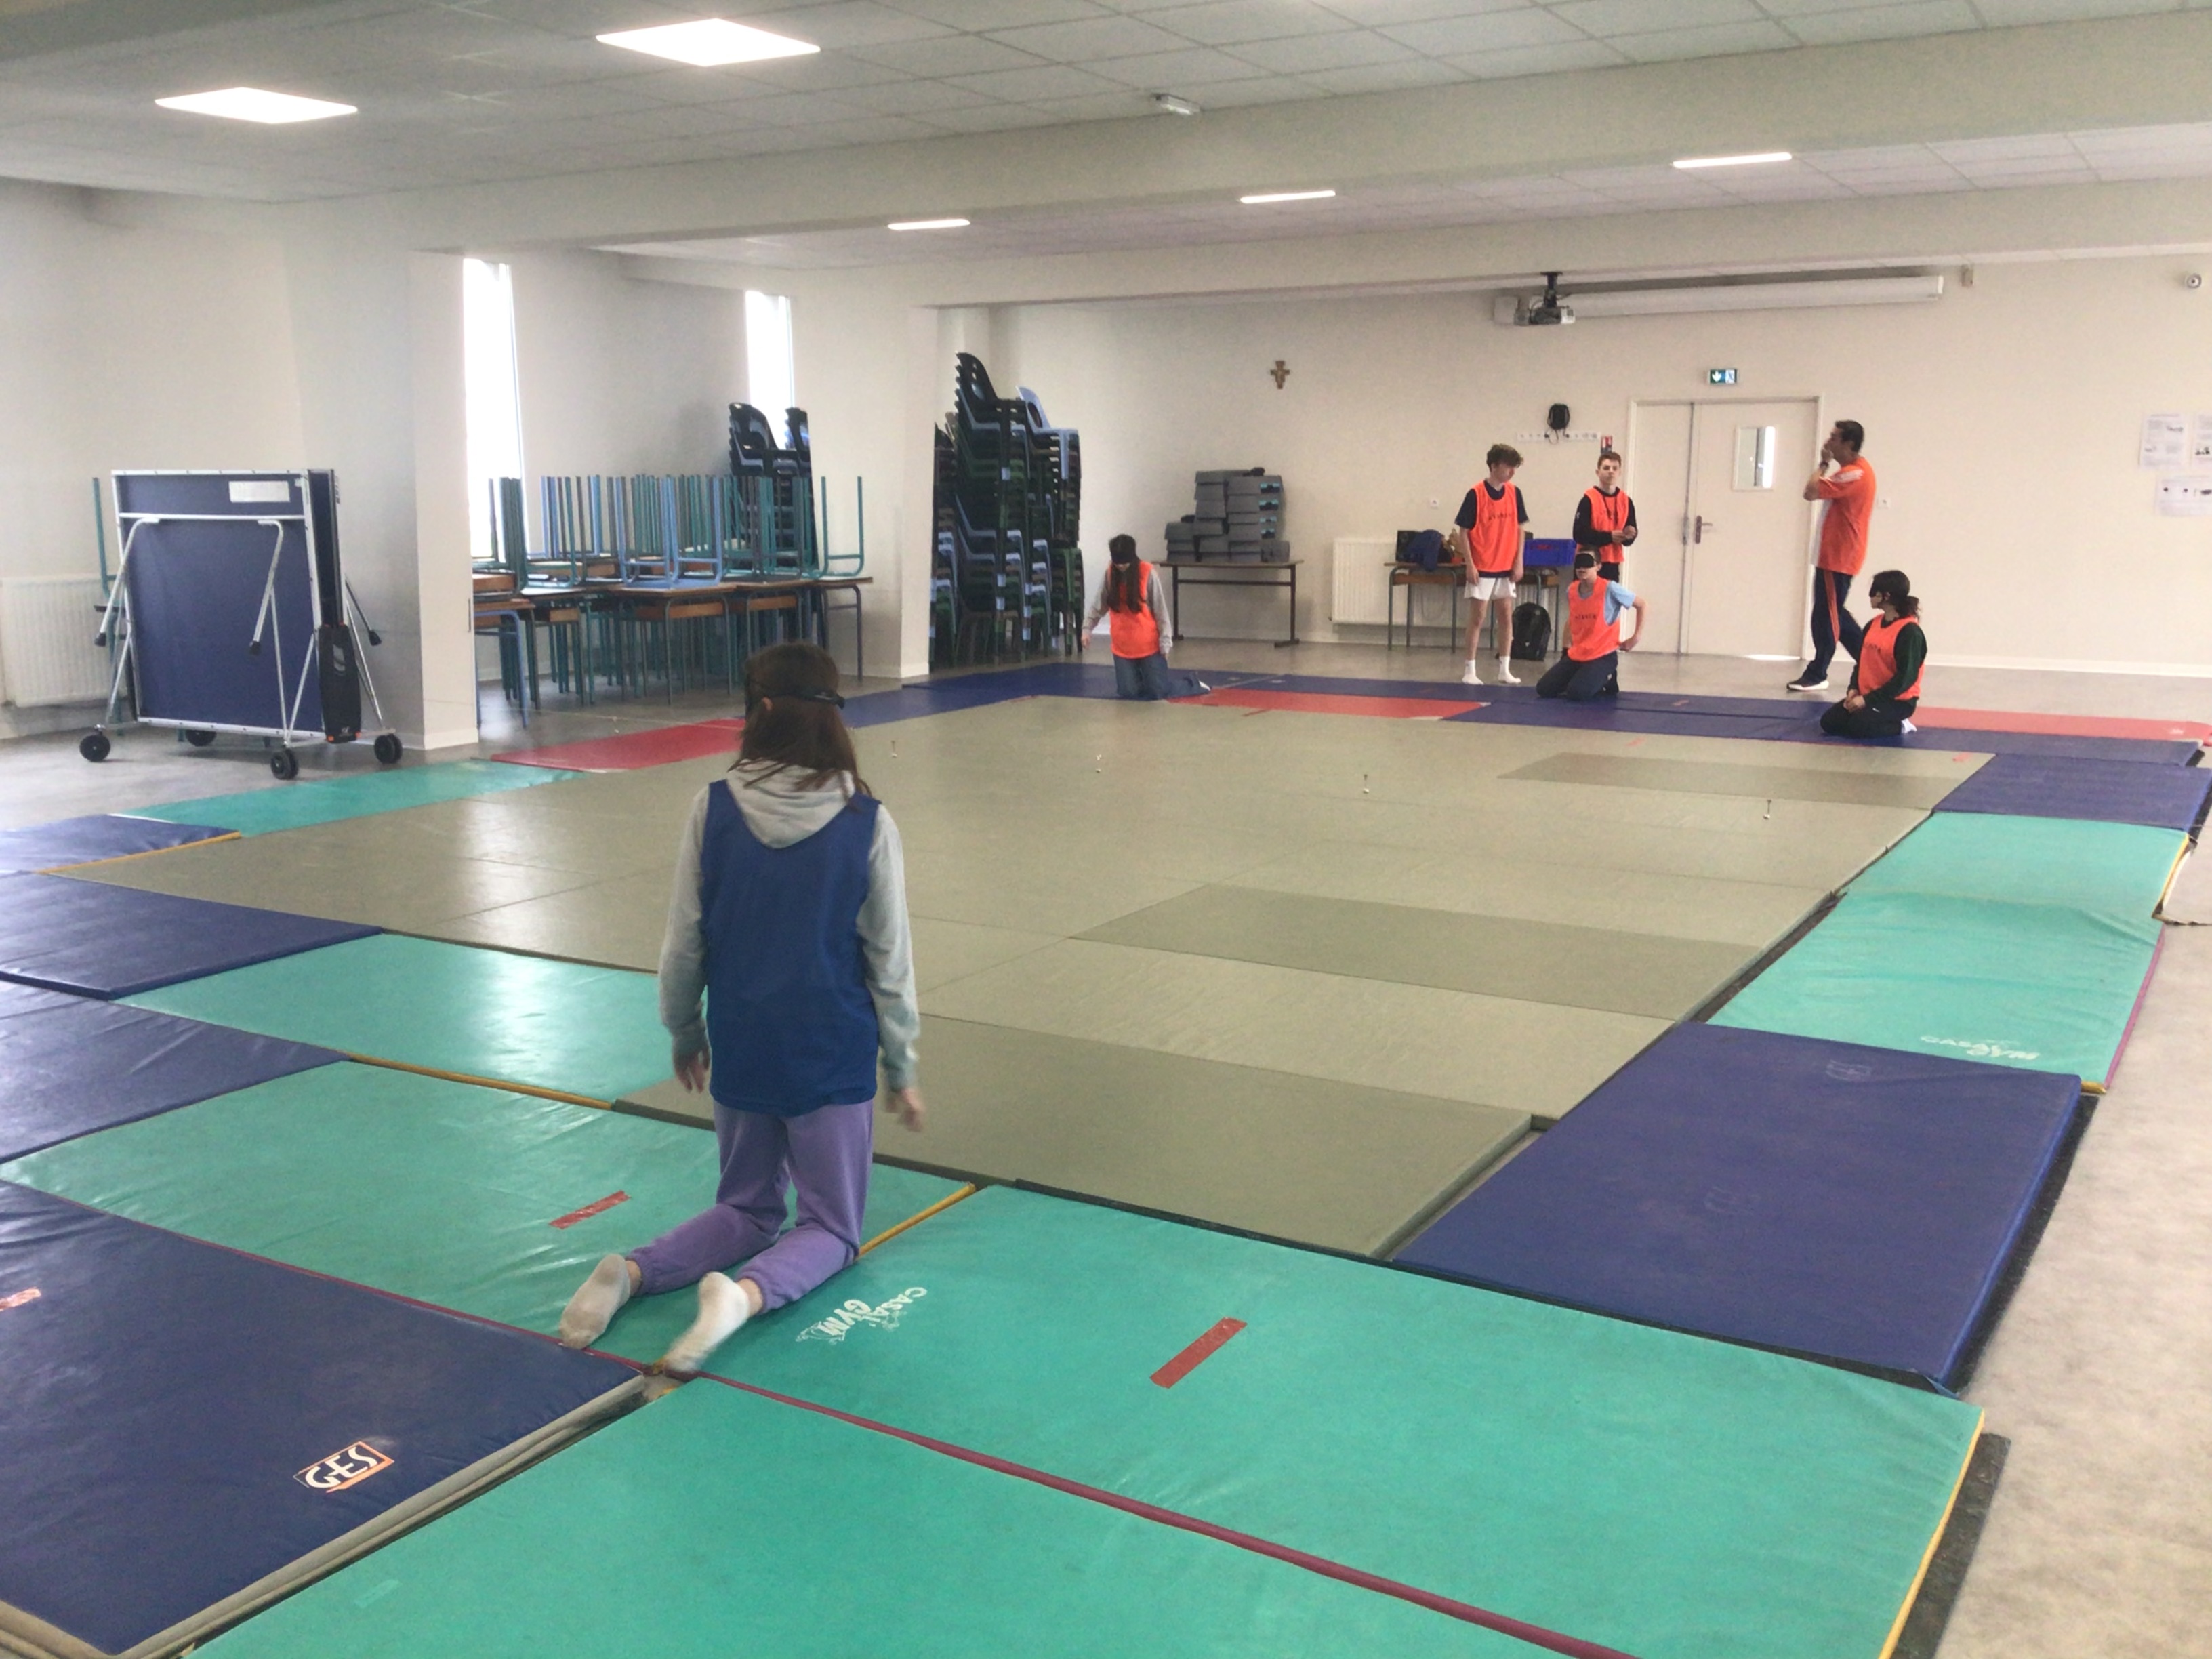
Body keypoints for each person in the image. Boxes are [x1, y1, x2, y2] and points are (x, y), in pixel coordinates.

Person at [557, 642, 924, 1378]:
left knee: (747, 1209)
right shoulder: (867, 822)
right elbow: (889, 960)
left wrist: (685, 1028)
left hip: (743, 1038)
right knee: (832, 1228)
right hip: (829, 1051)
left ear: (758, 713)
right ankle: (744, 1296)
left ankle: (632, 1272)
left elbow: (683, 940)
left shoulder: (713, 808)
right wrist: (902, 1065)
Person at [1788, 419, 1877, 693]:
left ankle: (1818, 672)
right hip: (1836, 554)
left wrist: (1823, 463)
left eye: (1835, 437)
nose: (1829, 441)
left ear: (1849, 443)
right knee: (1834, 612)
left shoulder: (1853, 474)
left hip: (1839, 555)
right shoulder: (1856, 471)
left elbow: (1810, 492)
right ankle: (1872, 664)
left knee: (1826, 616)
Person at [1080, 533, 1207, 699]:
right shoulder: (1110, 574)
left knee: (1158, 692)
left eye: (1125, 563)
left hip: (1149, 646)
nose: (1121, 566)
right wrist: (1087, 629)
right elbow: (1099, 605)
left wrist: (1165, 642)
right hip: (1123, 647)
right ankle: (1139, 678)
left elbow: (1161, 611)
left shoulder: (1148, 573)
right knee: (1128, 692)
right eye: (1117, 563)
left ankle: (1192, 684)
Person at [1455, 444, 1529, 687]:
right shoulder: (1476, 494)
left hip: (1506, 565)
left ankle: (1504, 669)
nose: (1512, 472)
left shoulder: (1515, 493)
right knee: (1478, 617)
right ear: (1494, 466)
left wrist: (1519, 560)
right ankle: (1470, 669)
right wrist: (1470, 564)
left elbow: (1520, 528)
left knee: (1506, 616)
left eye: (1515, 468)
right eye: (1509, 467)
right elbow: (1463, 532)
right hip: (1483, 565)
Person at [1820, 571, 1924, 739]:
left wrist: (1867, 700)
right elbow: (1861, 663)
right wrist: (1853, 689)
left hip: (1896, 700)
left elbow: (1906, 678)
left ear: (1886, 596)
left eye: (1874, 592)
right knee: (1830, 723)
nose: (1870, 596)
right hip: (1868, 696)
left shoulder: (1909, 633)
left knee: (1860, 726)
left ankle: (1901, 725)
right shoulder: (1873, 625)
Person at [1537, 552, 1645, 702]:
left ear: (1598, 566)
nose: (1582, 568)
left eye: (1588, 563)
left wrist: (1635, 638)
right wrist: (1565, 650)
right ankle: (1584, 676)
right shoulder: (1572, 590)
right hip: (1578, 654)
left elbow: (1641, 605)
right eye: (1579, 564)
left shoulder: (1610, 589)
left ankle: (1608, 677)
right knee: (1544, 689)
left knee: (1577, 693)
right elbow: (1572, 620)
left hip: (1603, 655)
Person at [1573, 449, 1637, 581]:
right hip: (1588, 562)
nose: (1611, 472)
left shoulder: (1626, 501)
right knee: (1586, 595)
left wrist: (1629, 535)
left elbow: (1629, 539)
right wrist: (1609, 537)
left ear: (1619, 472)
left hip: (1612, 562)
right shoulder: (1588, 499)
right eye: (1606, 468)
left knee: (1610, 595)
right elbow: (1579, 534)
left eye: (1615, 468)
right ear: (1598, 472)